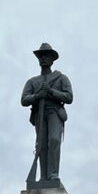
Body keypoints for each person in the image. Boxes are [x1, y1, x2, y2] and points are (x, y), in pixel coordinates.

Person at [21, 43, 73, 183]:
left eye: (46, 56)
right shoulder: (32, 82)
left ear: (52, 59)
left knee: (54, 140)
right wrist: (37, 96)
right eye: (41, 56)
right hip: (39, 114)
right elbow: (24, 100)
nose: (43, 58)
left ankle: (53, 174)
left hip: (54, 112)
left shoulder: (61, 78)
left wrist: (51, 92)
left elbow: (69, 97)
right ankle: (43, 176)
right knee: (41, 145)